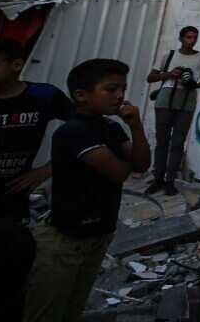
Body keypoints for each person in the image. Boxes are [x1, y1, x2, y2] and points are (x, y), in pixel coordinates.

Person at [24, 58, 151, 322]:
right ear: (81, 95)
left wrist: (136, 126)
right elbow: (118, 173)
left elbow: (140, 164)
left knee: (72, 309)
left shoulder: (110, 126)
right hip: (65, 241)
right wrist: (125, 154)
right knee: (46, 312)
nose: (119, 96)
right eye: (111, 89)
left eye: (122, 89)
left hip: (97, 234)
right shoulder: (75, 132)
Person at [0, 39, 74, 322]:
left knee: (8, 279)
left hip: (10, 207)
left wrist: (47, 169)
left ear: (16, 65)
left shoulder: (44, 97)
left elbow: (85, 130)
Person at [145, 26, 200, 195]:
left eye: (194, 37)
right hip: (165, 99)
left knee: (178, 143)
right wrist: (169, 74)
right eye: (188, 37)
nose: (192, 40)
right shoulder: (170, 55)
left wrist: (193, 84)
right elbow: (151, 77)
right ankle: (158, 178)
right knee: (162, 142)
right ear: (181, 38)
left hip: (186, 101)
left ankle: (170, 180)